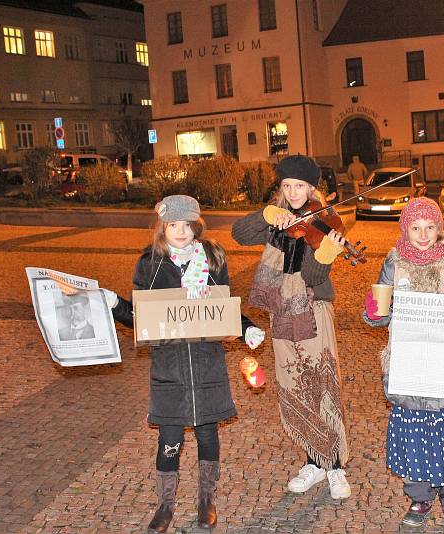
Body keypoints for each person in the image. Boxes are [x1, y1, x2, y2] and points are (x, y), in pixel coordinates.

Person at [102, 195, 265, 533]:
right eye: (172, 224)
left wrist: (246, 328)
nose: (180, 231)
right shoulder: (150, 263)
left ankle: (207, 499)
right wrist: (115, 303)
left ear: (196, 226)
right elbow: (139, 315)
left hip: (207, 364)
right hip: (170, 368)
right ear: (162, 228)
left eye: (186, 224)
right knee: (169, 438)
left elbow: (222, 308)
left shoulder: (214, 259)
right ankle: (165, 505)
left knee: (208, 435)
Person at [231, 155, 352, 499]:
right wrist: (267, 215)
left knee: (321, 379)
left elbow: (312, 277)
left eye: (300, 185)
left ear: (312, 187)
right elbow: (239, 234)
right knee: (294, 381)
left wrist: (327, 254)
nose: (294, 191)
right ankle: (314, 462)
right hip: (281, 309)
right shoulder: (278, 220)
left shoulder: (326, 222)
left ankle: (336, 467)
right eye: (287, 185)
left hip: (313, 307)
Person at [361, 197, 444, 531]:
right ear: (405, 229)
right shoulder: (393, 262)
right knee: (414, 438)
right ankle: (419, 496)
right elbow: (379, 310)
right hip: (409, 368)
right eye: (416, 227)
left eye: (431, 227)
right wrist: (373, 312)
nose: (424, 234)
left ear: (440, 228)